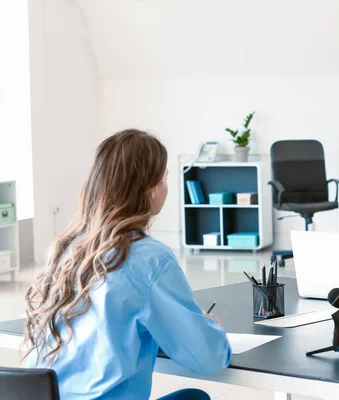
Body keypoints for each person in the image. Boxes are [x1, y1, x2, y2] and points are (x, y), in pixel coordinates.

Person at [22, 130, 231, 400]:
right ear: (151, 189)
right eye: (165, 177)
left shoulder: (65, 250)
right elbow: (209, 358)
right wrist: (208, 327)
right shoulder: (150, 259)